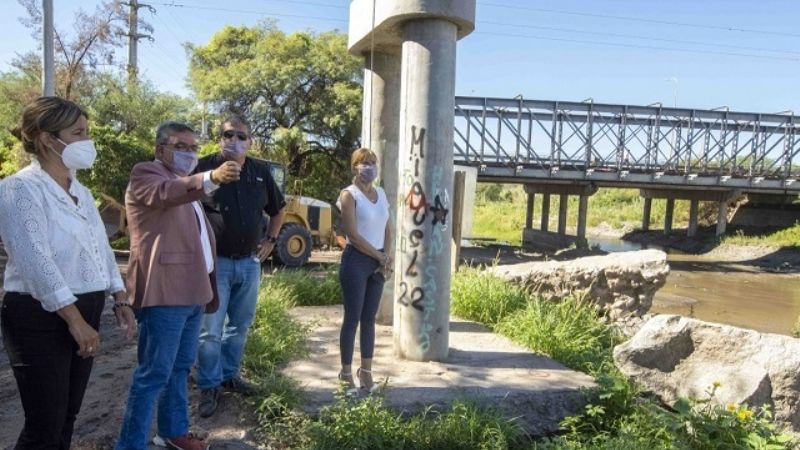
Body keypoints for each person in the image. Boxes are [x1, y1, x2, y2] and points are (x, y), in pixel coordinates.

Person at [0, 96, 137, 449]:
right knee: (44, 426)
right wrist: (75, 321)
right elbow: (35, 261)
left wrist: (120, 298)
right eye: (78, 133)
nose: (87, 141)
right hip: (39, 314)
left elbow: (101, 249)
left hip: (85, 308)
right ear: (47, 138)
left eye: (86, 132)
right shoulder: (20, 189)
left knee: (67, 417)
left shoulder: (81, 191)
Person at [115, 122, 240, 450]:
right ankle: (130, 444)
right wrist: (211, 177)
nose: (189, 153)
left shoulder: (186, 186)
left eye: (193, 148)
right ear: (160, 149)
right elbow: (166, 194)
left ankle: (172, 432)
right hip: (165, 291)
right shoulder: (147, 174)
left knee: (180, 367)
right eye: (180, 147)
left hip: (193, 291)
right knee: (154, 373)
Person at [194, 116, 286, 417]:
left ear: (250, 141)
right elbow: (182, 203)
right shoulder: (203, 168)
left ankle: (229, 375)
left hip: (249, 264)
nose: (234, 140)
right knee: (210, 331)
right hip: (215, 264)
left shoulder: (260, 172)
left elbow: (278, 210)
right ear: (220, 138)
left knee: (239, 326)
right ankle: (209, 385)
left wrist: (271, 239)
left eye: (241, 136)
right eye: (228, 135)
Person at [336, 148, 393, 394]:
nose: (369, 167)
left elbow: (388, 227)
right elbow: (353, 235)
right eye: (364, 163)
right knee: (352, 319)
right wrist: (379, 256)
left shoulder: (381, 193)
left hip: (378, 263)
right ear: (354, 167)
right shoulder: (349, 195)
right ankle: (346, 373)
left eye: (372, 162)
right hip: (356, 261)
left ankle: (366, 373)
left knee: (369, 320)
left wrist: (386, 257)